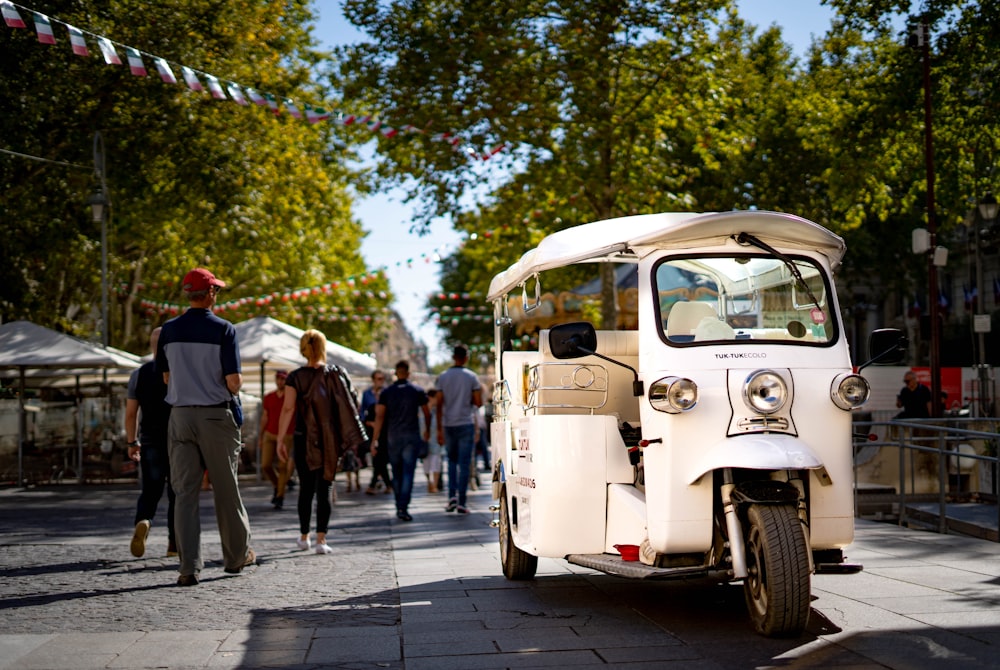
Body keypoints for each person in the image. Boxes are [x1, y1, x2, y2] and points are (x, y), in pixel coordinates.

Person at [156, 267, 254, 587]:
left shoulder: (168, 331)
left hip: (180, 416)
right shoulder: (224, 330)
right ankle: (236, 557)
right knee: (226, 490)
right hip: (215, 416)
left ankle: (188, 567)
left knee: (184, 494)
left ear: (188, 294)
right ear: (210, 294)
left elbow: (166, 378)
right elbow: (233, 382)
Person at [276, 329, 366, 554]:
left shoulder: (295, 377)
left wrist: (279, 440)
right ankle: (321, 540)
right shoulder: (337, 373)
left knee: (305, 488)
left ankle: (304, 536)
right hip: (329, 438)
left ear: (303, 348)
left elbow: (288, 408)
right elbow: (352, 401)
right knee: (325, 486)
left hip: (302, 437)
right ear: (323, 347)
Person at [125, 327, 176, 558]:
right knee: (178, 493)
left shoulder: (139, 374)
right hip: (178, 439)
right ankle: (174, 545)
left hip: (149, 441)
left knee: (150, 491)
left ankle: (143, 521)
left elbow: (130, 413)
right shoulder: (178, 372)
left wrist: (131, 442)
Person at [370, 360, 430, 522]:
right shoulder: (416, 390)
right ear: (408, 373)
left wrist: (374, 440)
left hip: (393, 437)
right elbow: (427, 412)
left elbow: (379, 417)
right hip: (411, 436)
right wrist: (428, 432)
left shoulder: (387, 392)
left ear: (396, 373)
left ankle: (399, 505)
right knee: (408, 473)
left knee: (397, 472)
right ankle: (403, 506)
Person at [435, 345, 483, 514]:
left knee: (451, 462)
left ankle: (451, 497)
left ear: (453, 357)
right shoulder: (472, 377)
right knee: (464, 464)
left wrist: (439, 429)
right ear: (466, 357)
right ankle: (462, 501)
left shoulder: (443, 377)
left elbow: (439, 404)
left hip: (448, 424)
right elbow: (478, 402)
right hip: (465, 423)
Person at [258, 369, 292, 509]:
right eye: (278, 379)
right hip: (270, 433)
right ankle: (278, 485)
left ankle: (280, 495)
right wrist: (260, 435)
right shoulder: (269, 397)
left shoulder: (290, 396)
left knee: (282, 466)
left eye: (283, 379)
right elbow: (265, 416)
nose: (280, 381)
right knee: (265, 465)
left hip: (286, 434)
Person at [361, 370, 392, 495]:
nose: (380, 381)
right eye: (378, 379)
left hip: (385, 430)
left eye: (382, 379)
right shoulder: (367, 394)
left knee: (380, 457)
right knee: (377, 456)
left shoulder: (388, 393)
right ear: (373, 380)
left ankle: (375, 484)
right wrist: (367, 422)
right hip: (371, 428)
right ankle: (386, 484)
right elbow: (362, 411)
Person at [423, 389, 444, 493]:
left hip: (436, 440)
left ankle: (434, 485)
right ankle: (429, 483)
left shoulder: (438, 410)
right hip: (425, 440)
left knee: (436, 463)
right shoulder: (423, 409)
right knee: (426, 464)